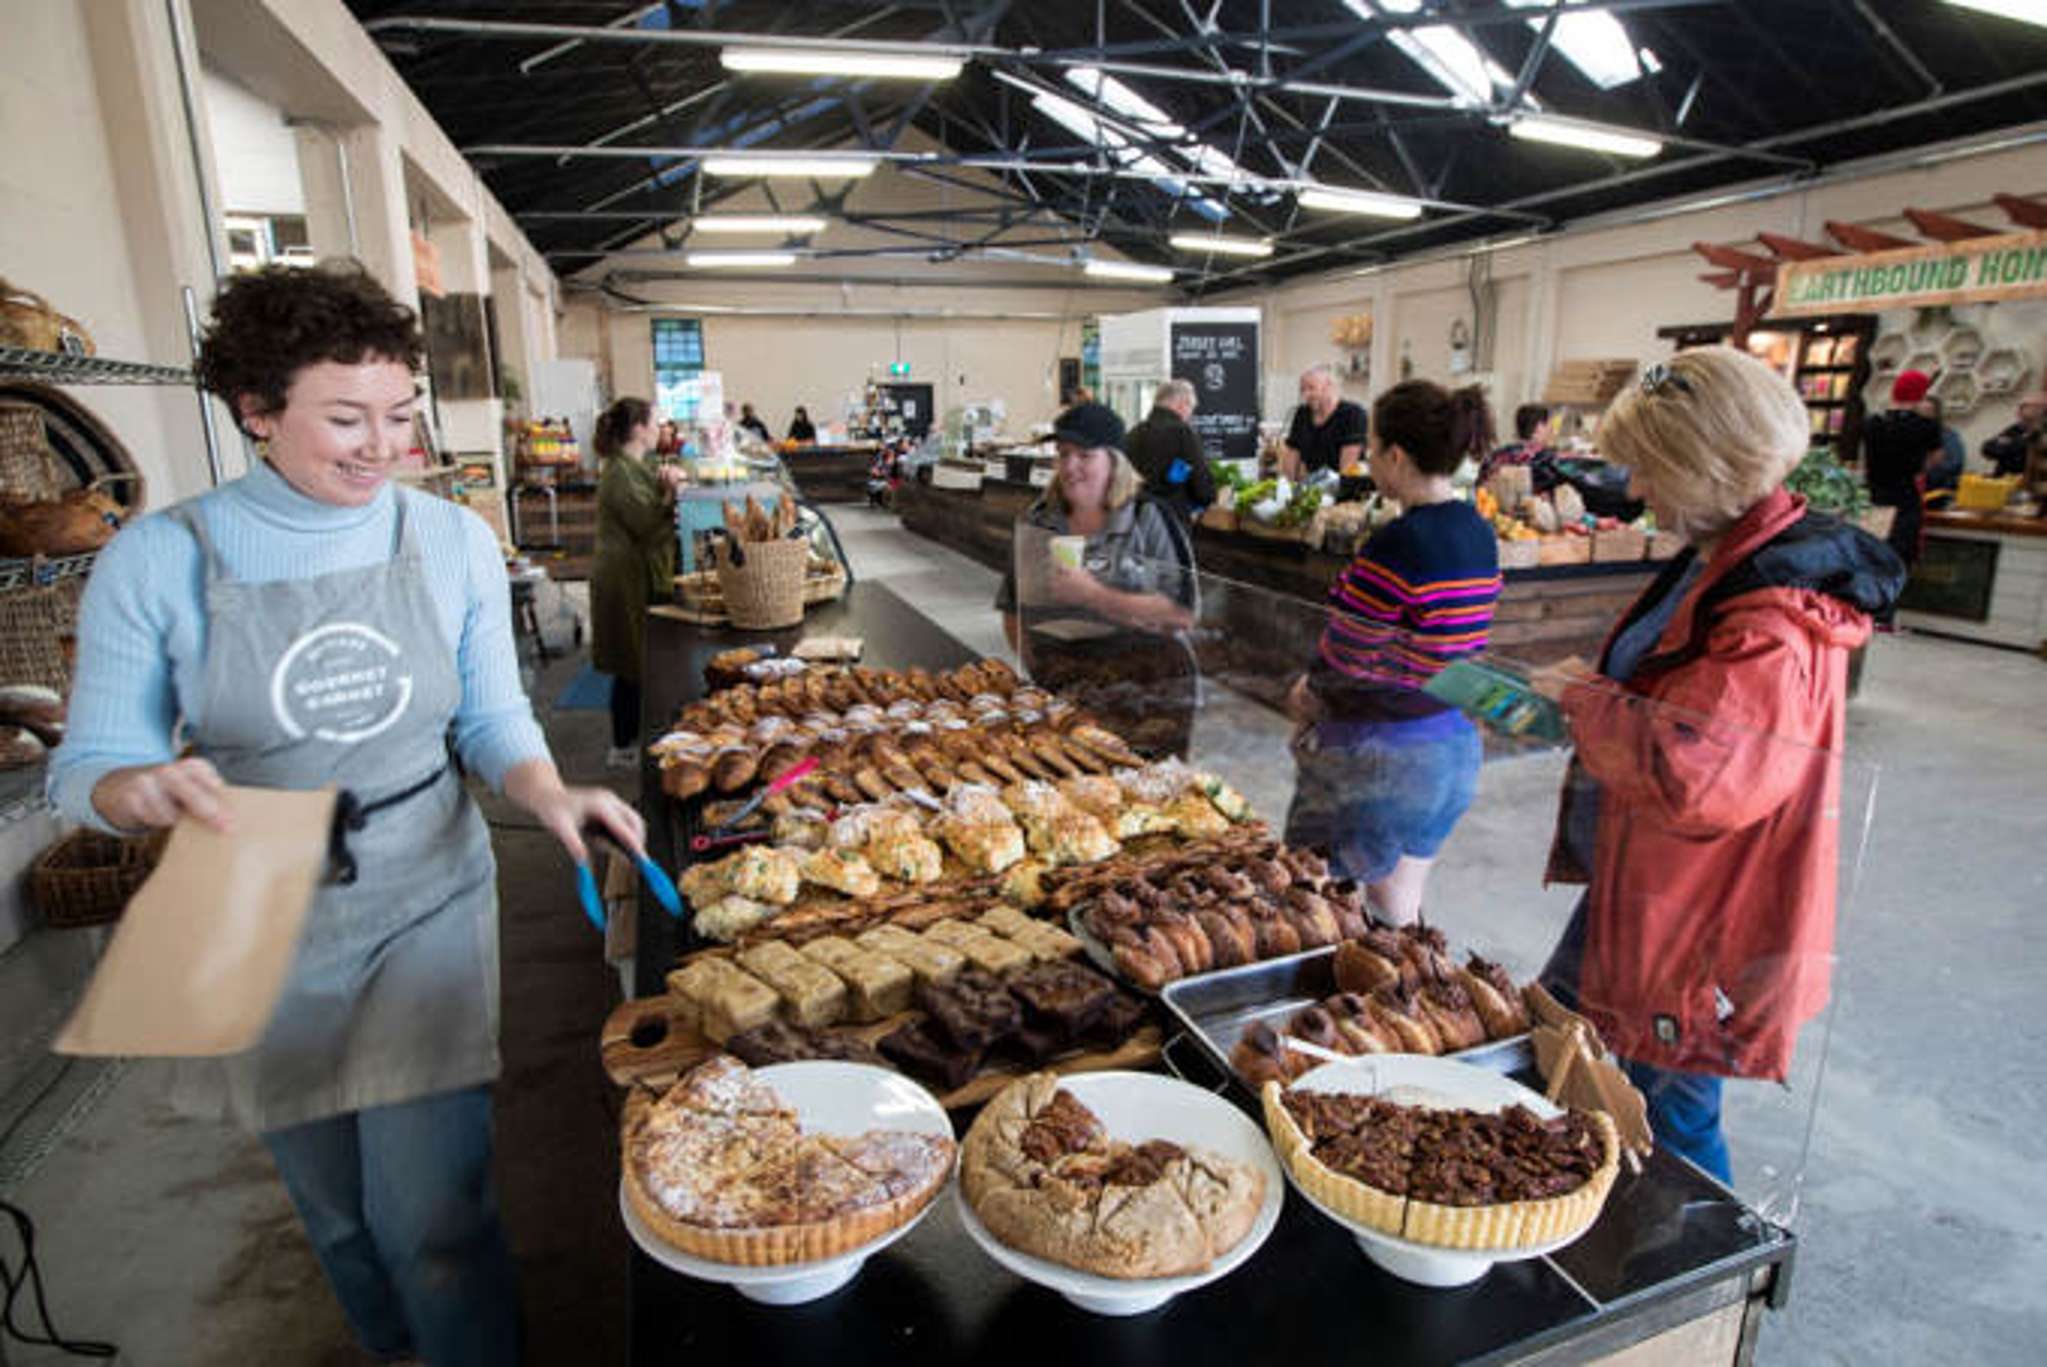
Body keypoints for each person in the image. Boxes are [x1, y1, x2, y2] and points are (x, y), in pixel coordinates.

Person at [48, 262, 645, 1367]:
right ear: (257, 411)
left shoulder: (449, 539)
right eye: (345, 418)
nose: (383, 446)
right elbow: (91, 759)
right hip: (248, 898)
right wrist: (137, 789)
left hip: (424, 883)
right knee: (334, 1210)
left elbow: (491, 719)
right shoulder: (158, 557)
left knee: (434, 1217)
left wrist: (545, 785)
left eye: (400, 417)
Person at [1532, 346, 1905, 1183]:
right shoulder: (1720, 556)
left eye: (1649, 467)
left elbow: (1701, 780)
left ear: (1705, 466)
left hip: (1698, 916)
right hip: (1645, 887)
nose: (1632, 489)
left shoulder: (1770, 617)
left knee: (1671, 1119)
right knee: (1577, 1059)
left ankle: (1699, 1286)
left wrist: (1587, 700)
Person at [1282, 381, 1499, 924]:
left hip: (1379, 756)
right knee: (1396, 908)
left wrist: (1308, 695)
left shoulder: (1399, 543)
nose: (1371, 458)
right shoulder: (1478, 530)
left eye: (1375, 448)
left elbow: (1348, 655)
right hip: (1448, 748)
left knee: (1312, 900)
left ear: (1396, 456)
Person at [996, 401, 1199, 755]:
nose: (1070, 467)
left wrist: (1093, 594)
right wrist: (1043, 676)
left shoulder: (1148, 517)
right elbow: (1013, 609)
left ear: (1115, 461)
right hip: (1069, 689)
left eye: (1085, 455)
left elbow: (1182, 611)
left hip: (1150, 693)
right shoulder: (1039, 522)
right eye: (1063, 454)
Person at [592, 397, 687, 768]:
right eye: (654, 423)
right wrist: (670, 493)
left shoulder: (634, 465)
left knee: (636, 660)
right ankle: (622, 745)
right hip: (623, 577)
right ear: (637, 429)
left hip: (633, 572)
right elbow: (647, 524)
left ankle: (631, 737)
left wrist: (669, 482)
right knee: (629, 663)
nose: (659, 429)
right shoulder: (619, 472)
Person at [1861, 369, 1943, 568]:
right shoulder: (1926, 426)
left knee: (1871, 556)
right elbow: (1937, 458)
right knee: (1898, 559)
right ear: (1921, 396)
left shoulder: (1872, 423)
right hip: (1905, 497)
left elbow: (1865, 460)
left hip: (1875, 496)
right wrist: (1918, 467)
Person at [1124, 378, 1215, 522]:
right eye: (1191, 407)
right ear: (1181, 404)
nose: (1190, 415)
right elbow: (1201, 485)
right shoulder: (1182, 432)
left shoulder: (1134, 432)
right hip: (1171, 519)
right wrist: (1208, 499)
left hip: (1135, 516)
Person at [1280, 364, 1368, 481]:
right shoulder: (1302, 414)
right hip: (1311, 487)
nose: (1306, 395)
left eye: (1311, 388)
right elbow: (1292, 453)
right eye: (1302, 390)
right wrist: (1286, 487)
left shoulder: (1353, 414)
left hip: (1343, 490)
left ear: (1329, 386)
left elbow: (1347, 469)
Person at [1478, 403, 1555, 486]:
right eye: (1549, 426)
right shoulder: (1547, 459)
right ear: (1538, 428)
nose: (1552, 431)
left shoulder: (1494, 456)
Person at [1981, 391, 2046, 477]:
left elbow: (2027, 451)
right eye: (2021, 406)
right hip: (2006, 481)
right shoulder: (2017, 428)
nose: (2019, 410)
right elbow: (1988, 448)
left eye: (2025, 406)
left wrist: (2008, 444)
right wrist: (2013, 445)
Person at [1917, 394, 1966, 495]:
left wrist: (1928, 469)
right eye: (1919, 413)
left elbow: (1955, 463)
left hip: (1938, 489)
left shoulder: (1947, 435)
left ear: (1936, 414)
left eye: (1928, 412)